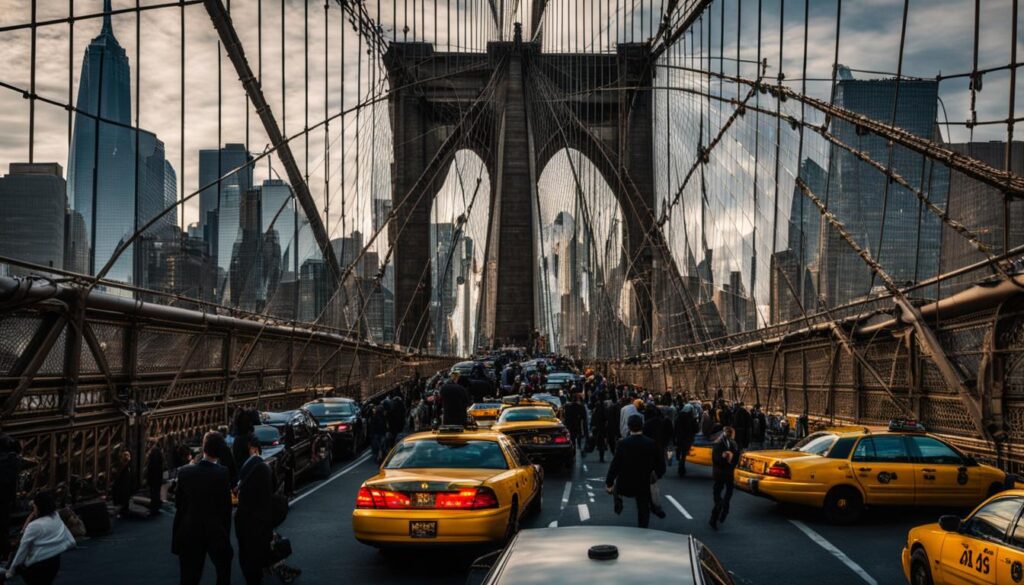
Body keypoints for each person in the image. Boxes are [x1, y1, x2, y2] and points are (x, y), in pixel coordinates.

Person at [172, 431, 234, 585]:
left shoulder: (184, 473)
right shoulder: (222, 474)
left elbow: (179, 504)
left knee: (189, 578)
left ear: (203, 448)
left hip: (190, 530)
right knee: (223, 572)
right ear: (219, 452)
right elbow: (225, 510)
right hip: (215, 531)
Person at [605, 415, 665, 529]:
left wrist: (609, 483)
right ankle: (644, 527)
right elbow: (661, 465)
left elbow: (615, 465)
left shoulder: (622, 444)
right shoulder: (651, 443)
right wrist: (656, 475)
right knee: (643, 507)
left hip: (625, 483)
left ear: (629, 427)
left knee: (617, 486)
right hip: (644, 483)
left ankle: (618, 502)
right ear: (642, 426)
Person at [5, 491, 75, 585]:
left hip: (37, 568)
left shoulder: (35, 526)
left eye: (34, 507)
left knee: (18, 551)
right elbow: (70, 539)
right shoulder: (55, 517)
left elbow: (22, 550)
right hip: (54, 564)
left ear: (38, 507)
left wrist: (11, 571)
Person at [235, 433, 273, 585]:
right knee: (256, 551)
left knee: (245, 552)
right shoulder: (263, 468)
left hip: (244, 517)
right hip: (259, 518)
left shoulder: (246, 467)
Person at [709, 426, 740, 530]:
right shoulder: (733, 444)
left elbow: (716, 460)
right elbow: (735, 458)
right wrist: (730, 461)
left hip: (721, 472)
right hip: (726, 472)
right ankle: (722, 510)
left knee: (718, 493)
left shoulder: (718, 444)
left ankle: (718, 512)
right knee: (727, 492)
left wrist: (727, 458)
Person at [0, 435, 23, 563]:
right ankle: (4, 554)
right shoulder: (14, 460)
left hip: (4, 495)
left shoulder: (7, 460)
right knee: (4, 526)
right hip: (7, 497)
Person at [674, 403, 698, 477]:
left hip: (679, 437)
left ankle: (680, 465)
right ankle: (681, 468)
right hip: (687, 438)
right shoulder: (691, 418)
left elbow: (675, 428)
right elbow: (695, 429)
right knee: (684, 453)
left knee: (681, 451)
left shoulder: (678, 417)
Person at [111, 450, 134, 518]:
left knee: (124, 499)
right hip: (123, 486)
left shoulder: (126, 467)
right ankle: (123, 511)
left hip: (124, 487)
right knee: (124, 499)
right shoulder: (124, 466)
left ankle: (123, 511)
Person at [145, 443, 165, 517]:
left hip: (153, 477)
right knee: (156, 492)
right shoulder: (158, 452)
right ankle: (156, 508)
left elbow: (150, 467)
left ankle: (154, 509)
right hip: (158, 477)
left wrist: (148, 479)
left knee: (154, 493)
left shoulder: (154, 452)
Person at [589, 396, 609, 462]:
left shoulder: (596, 411)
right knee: (602, 443)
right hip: (603, 429)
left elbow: (593, 419)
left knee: (599, 442)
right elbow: (606, 419)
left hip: (597, 429)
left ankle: (600, 455)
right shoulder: (604, 410)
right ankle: (602, 457)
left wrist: (592, 426)